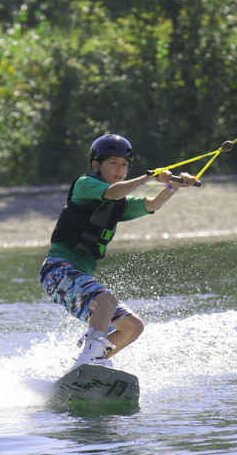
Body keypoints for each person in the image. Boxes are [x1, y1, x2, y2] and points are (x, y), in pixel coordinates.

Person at [39, 133, 197, 370]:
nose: (120, 169)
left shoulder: (119, 203)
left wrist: (172, 186)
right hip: (56, 270)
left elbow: (151, 204)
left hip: (74, 275)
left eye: (124, 164)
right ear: (96, 166)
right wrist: (147, 177)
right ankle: (91, 356)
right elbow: (113, 191)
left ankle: (87, 364)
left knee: (132, 326)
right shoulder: (84, 184)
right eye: (113, 163)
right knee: (107, 300)